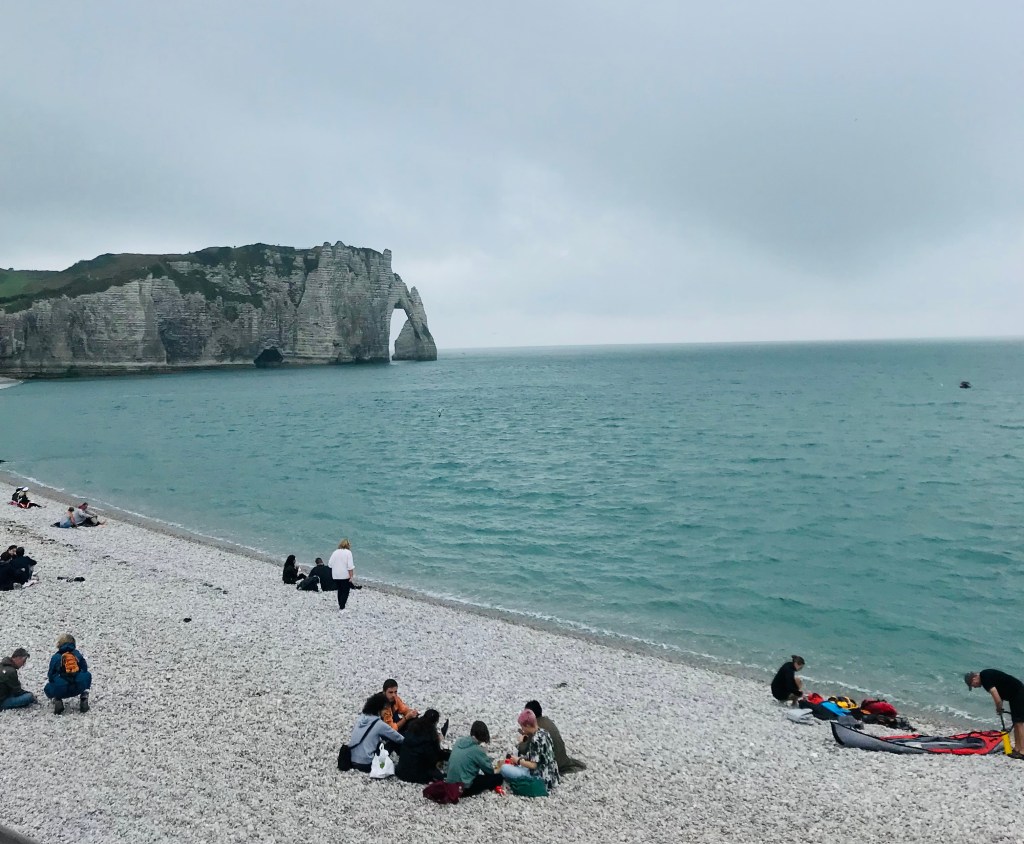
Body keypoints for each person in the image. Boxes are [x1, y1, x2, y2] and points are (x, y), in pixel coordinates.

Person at [965, 669, 1024, 758]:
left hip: (1018, 693)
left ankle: (1022, 751)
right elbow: (1001, 688)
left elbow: (995, 694)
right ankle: (1017, 749)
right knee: (1016, 722)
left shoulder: (985, 677)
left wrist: (999, 708)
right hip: (1015, 695)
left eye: (972, 685)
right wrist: (1000, 706)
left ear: (973, 679)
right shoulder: (986, 676)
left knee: (1019, 723)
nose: (975, 687)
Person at [519, 700, 586, 773]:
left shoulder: (534, 729)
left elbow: (523, 750)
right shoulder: (547, 721)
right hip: (561, 759)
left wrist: (522, 741)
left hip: (552, 766)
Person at [502, 709, 559, 791]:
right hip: (552, 775)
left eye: (522, 727)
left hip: (541, 777)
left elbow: (533, 765)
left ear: (528, 725)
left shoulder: (535, 740)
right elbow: (540, 757)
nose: (522, 729)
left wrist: (518, 761)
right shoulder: (545, 732)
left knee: (504, 769)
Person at [347, 691, 404, 772]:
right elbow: (399, 738)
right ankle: (405, 763)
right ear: (378, 708)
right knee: (392, 741)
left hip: (352, 760)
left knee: (379, 741)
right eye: (385, 709)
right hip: (366, 764)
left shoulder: (362, 718)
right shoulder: (379, 724)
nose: (386, 712)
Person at [446, 720, 504, 797]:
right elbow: (489, 771)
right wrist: (500, 767)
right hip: (462, 788)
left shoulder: (459, 741)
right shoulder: (477, 750)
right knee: (498, 778)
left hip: (450, 782)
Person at [395, 709, 451, 784]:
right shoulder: (430, 736)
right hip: (415, 776)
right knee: (441, 776)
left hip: (401, 771)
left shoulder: (411, 729)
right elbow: (433, 757)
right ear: (435, 722)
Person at [44, 634, 92, 714]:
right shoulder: (77, 654)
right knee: (87, 675)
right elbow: (84, 669)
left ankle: (57, 699)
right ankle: (84, 697)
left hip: (61, 688)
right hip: (78, 687)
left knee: (47, 688)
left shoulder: (56, 657)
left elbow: (50, 676)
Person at [328, 539, 356, 610]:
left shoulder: (335, 552)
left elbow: (330, 564)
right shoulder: (348, 553)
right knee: (345, 591)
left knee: (340, 590)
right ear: (348, 545)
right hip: (344, 575)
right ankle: (342, 606)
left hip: (336, 575)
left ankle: (340, 604)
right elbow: (350, 566)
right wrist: (351, 576)